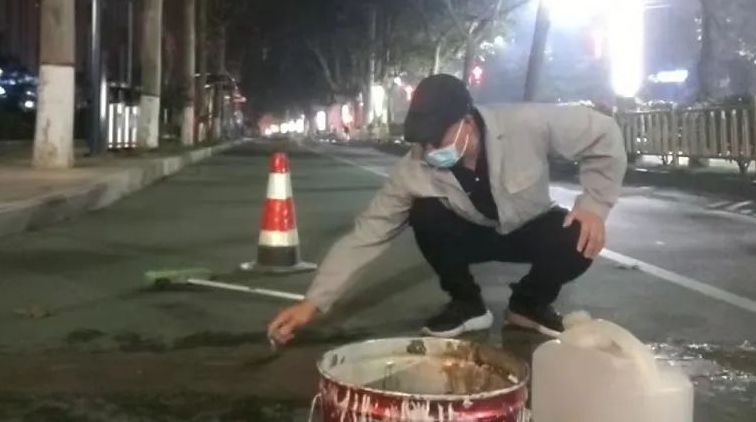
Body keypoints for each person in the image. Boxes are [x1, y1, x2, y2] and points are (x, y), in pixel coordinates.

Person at [268, 74, 626, 343]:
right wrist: (312, 304)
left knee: (581, 235)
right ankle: (467, 304)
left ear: (466, 121)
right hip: (472, 233)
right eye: (422, 142)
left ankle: (529, 305)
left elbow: (604, 134)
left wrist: (594, 204)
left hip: (529, 226)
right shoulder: (414, 167)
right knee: (426, 214)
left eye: (436, 138)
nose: (429, 150)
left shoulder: (525, 123)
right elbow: (366, 235)